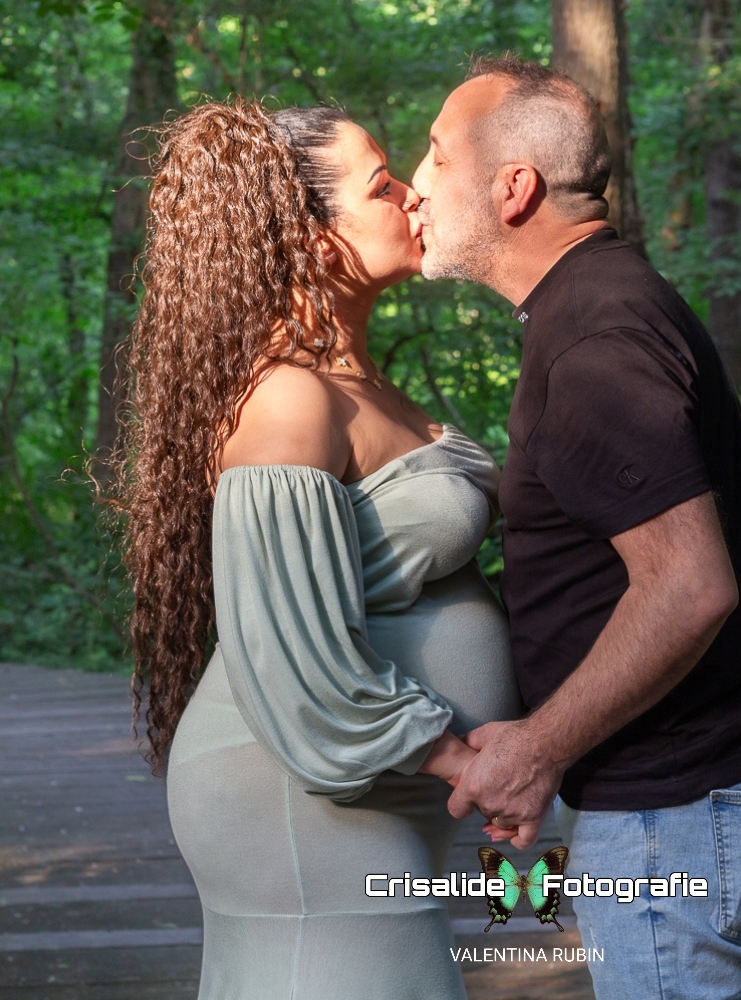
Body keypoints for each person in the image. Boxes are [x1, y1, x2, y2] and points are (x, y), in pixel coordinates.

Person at [410, 56, 741, 1000]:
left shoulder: (596, 340)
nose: (414, 184)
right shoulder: (595, 305)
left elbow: (689, 586)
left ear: (513, 190)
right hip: (683, 793)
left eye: (435, 156)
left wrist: (540, 748)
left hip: (679, 805)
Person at [117, 99, 520, 1000]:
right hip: (302, 788)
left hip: (371, 786)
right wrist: (469, 764)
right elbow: (295, 655)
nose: (415, 197)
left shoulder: (354, 381)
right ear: (305, 234)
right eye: (382, 186)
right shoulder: (289, 403)